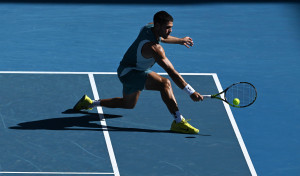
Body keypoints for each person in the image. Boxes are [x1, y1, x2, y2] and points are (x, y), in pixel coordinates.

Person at [74, 11, 203, 134]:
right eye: (167, 28)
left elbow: (162, 38)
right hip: (130, 73)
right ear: (157, 25)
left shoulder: (149, 26)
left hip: (128, 70)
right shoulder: (155, 49)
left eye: (171, 27)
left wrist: (180, 40)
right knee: (165, 84)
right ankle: (178, 122)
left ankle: (90, 102)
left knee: (128, 104)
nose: (170, 31)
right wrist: (191, 92)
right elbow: (171, 71)